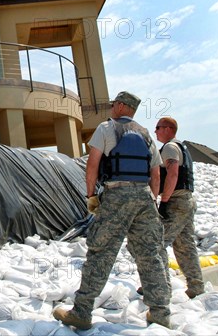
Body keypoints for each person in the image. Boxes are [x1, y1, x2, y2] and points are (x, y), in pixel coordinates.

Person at [53, 91, 171, 330]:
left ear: (119, 106)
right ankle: (160, 314)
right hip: (144, 198)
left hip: (117, 195)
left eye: (113, 104)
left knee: (101, 252)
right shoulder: (146, 133)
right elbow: (156, 173)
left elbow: (93, 163)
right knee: (151, 255)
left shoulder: (106, 129)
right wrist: (152, 200)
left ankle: (82, 312)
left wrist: (91, 196)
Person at [155, 117, 205, 299]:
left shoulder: (169, 148)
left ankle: (159, 287)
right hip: (187, 201)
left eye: (158, 128)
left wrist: (165, 201)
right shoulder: (182, 147)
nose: (155, 131)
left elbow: (173, 173)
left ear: (168, 129)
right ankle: (196, 287)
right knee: (185, 246)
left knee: (156, 244)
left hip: (176, 202)